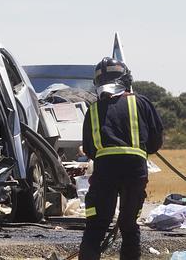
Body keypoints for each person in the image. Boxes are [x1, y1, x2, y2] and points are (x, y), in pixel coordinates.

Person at [79, 57, 163, 260]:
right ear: (126, 79)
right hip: (135, 171)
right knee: (129, 225)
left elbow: (90, 149)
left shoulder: (92, 110)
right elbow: (155, 142)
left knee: (96, 226)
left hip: (105, 170)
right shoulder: (142, 103)